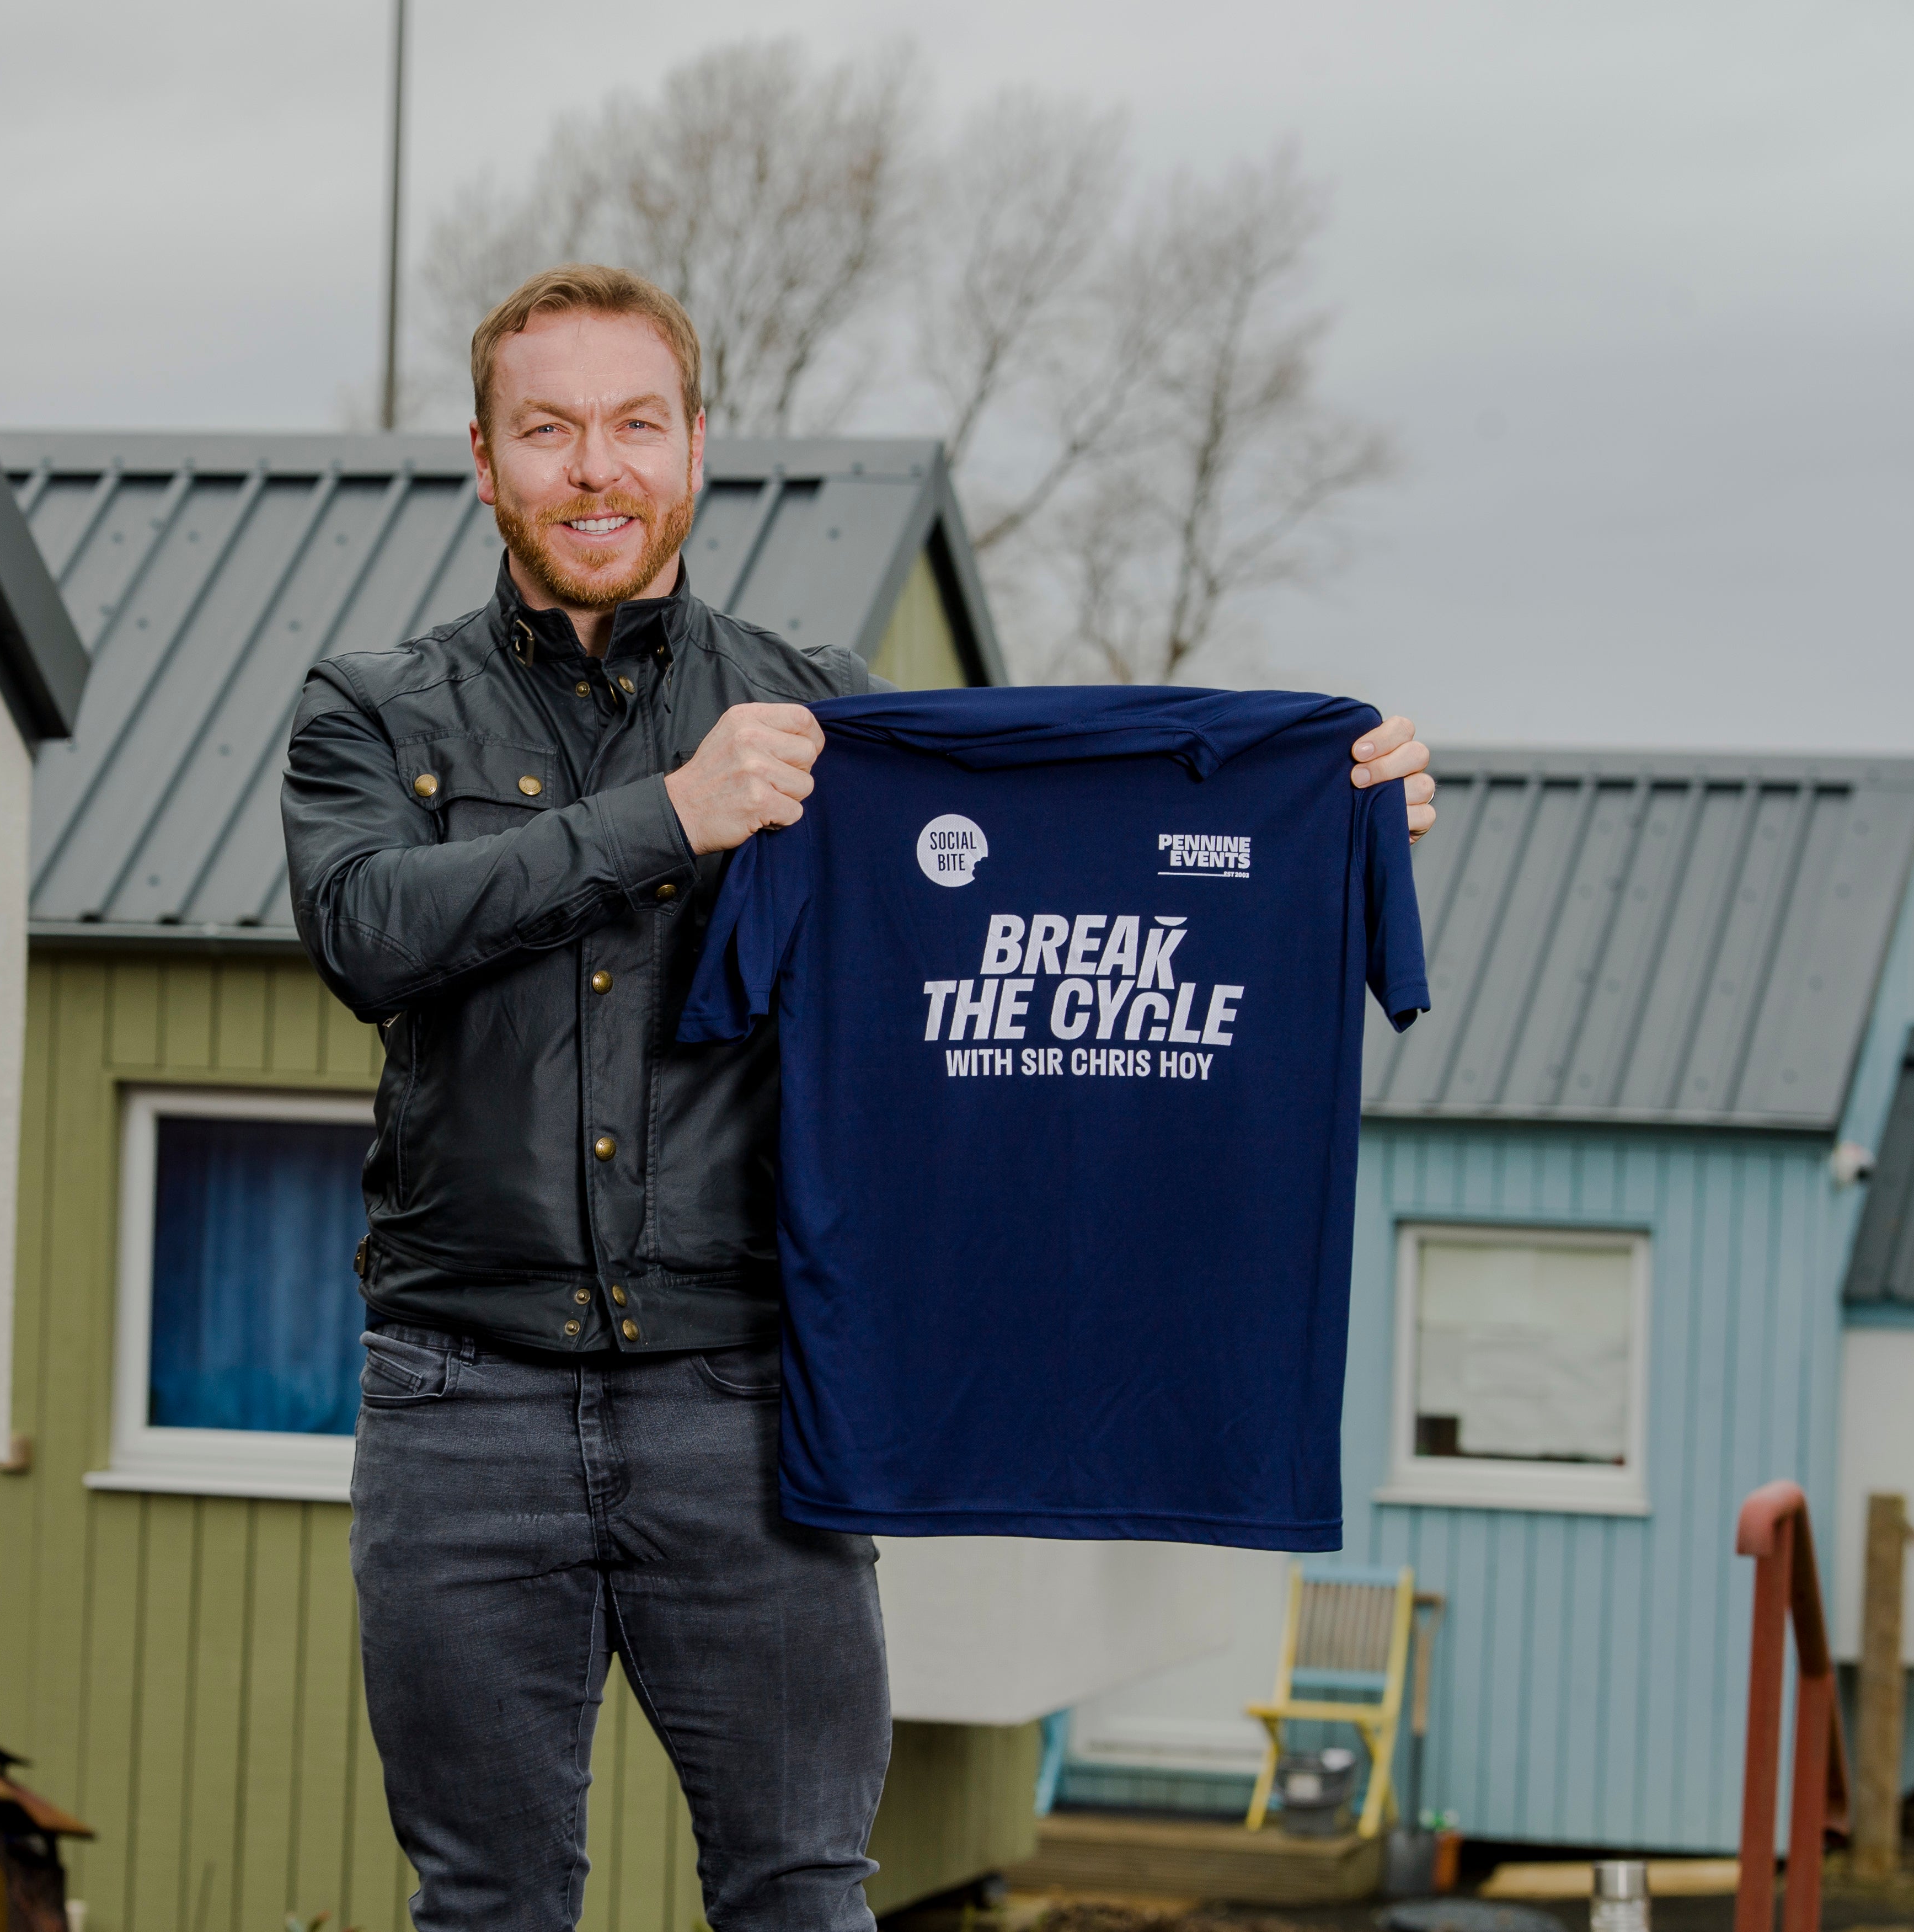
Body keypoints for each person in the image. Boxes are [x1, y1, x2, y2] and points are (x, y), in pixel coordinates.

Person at [280, 264, 1435, 1932]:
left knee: (804, 1892)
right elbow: (368, 932)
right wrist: (675, 814)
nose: (594, 467)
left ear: (697, 447)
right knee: (485, 1901)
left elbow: (1066, 858)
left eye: (633, 424)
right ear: (483, 458)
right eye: (548, 430)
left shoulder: (828, 722)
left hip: (750, 1412)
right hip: (459, 1404)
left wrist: (1327, 812)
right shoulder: (372, 713)